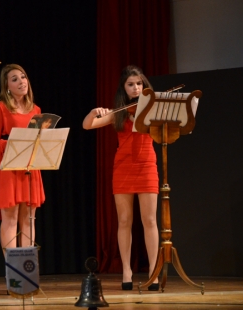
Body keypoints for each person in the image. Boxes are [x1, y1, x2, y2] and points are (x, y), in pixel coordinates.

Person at [82, 65, 160, 291]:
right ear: (123, 89)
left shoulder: (151, 109)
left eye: (139, 84)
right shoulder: (119, 112)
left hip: (147, 166)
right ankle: (126, 270)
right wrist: (94, 112)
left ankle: (153, 271)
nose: (136, 88)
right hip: (123, 167)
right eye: (131, 85)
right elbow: (87, 125)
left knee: (150, 221)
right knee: (124, 221)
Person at [0, 64, 45, 252]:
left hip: (30, 166)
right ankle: (13, 270)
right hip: (9, 166)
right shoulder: (0, 108)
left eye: (23, 77)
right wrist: (12, 144)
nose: (21, 82)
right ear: (7, 85)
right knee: (10, 218)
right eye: (15, 79)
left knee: (29, 219)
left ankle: (27, 267)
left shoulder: (36, 110)